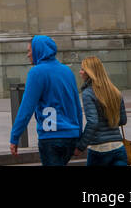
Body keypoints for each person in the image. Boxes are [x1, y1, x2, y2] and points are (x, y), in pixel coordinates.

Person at [9, 35, 83, 165]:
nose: (28, 55)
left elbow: (26, 108)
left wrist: (15, 137)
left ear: (38, 50)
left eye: (29, 51)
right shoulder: (67, 71)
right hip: (71, 136)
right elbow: (76, 106)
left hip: (50, 137)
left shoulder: (36, 72)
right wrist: (79, 136)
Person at [76, 56, 129, 166]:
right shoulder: (115, 91)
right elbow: (122, 120)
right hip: (118, 147)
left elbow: (93, 122)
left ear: (89, 72)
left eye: (82, 69)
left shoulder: (88, 93)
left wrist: (81, 146)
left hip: (98, 149)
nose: (80, 72)